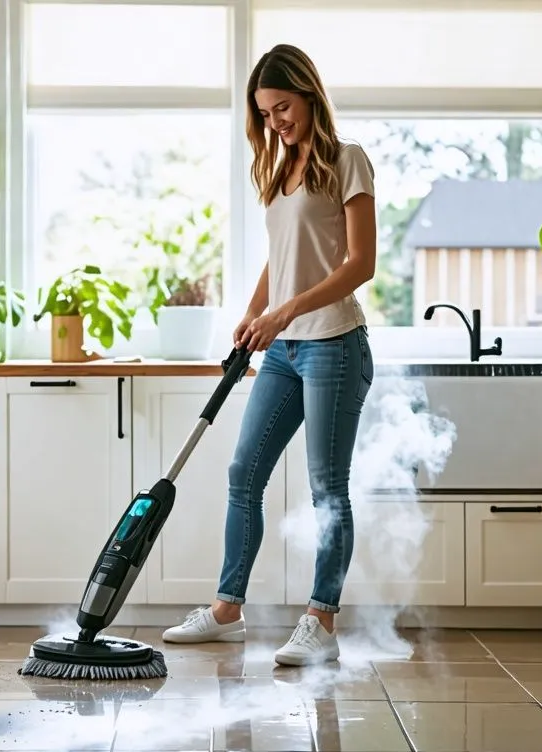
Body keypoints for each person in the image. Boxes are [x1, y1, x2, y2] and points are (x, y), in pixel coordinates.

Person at [161, 43, 377, 666]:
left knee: (326, 488)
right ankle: (228, 610)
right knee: (242, 474)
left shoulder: (346, 161)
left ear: (309, 94)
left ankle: (321, 622)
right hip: (284, 351)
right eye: (264, 113)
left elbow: (359, 264)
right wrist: (258, 311)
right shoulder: (281, 170)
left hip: (334, 344)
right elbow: (281, 260)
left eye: (282, 107)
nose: (275, 121)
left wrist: (286, 311)